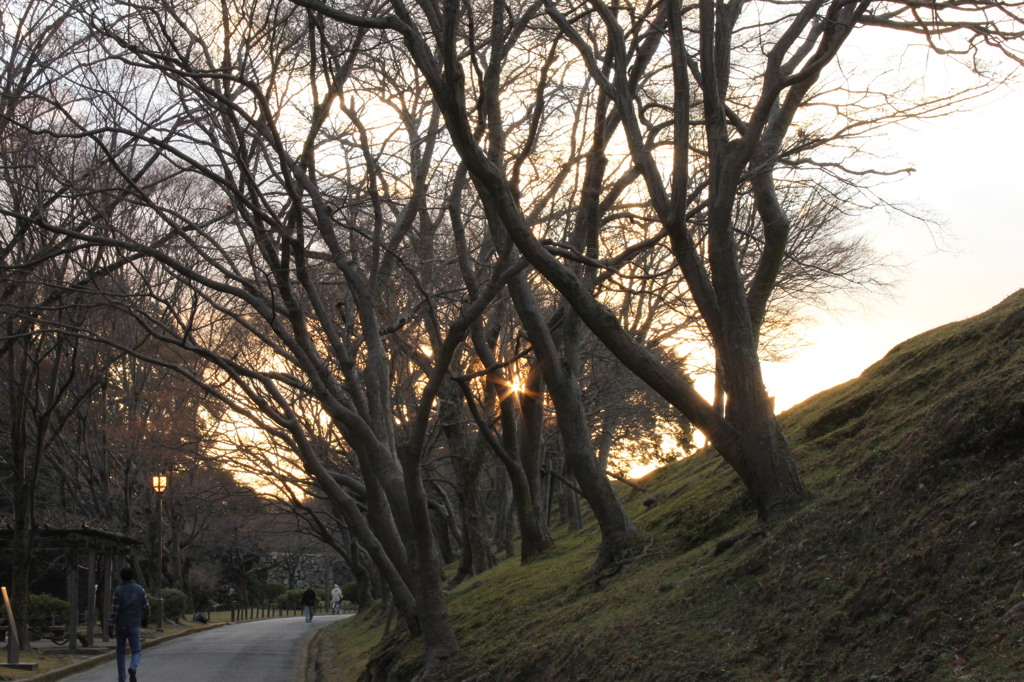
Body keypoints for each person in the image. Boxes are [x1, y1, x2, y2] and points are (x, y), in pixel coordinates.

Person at [108, 567, 151, 682]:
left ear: (122, 577)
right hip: (134, 624)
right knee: (136, 650)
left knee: (120, 652)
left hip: (120, 625)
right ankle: (133, 666)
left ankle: (121, 678)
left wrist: (110, 624)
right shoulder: (140, 589)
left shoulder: (118, 590)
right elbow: (146, 606)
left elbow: (114, 610)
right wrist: (146, 618)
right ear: (133, 576)